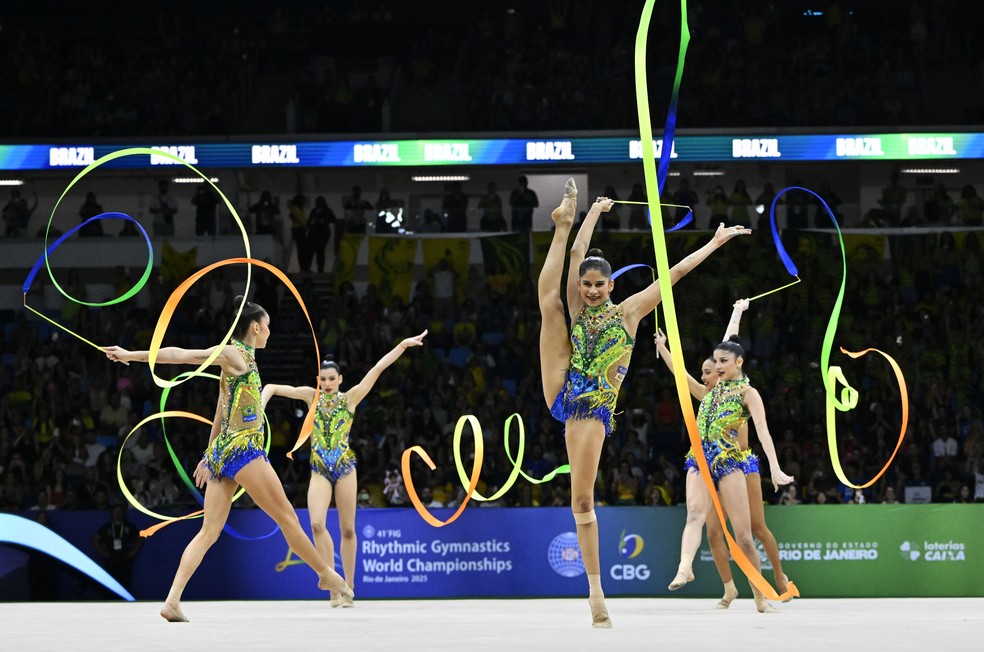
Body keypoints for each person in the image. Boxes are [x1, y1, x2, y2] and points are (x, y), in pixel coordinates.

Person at [536, 179, 748, 627]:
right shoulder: (577, 307)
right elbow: (578, 259)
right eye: (587, 285)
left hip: (592, 405)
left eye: (599, 284)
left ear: (612, 284)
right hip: (565, 387)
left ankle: (595, 592)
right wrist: (592, 212)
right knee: (549, 304)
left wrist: (714, 242)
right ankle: (564, 222)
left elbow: (674, 276)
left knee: (580, 500)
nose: (592, 290)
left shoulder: (629, 311)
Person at [103, 296, 351, 622]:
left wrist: (210, 455)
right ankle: (324, 573)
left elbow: (222, 408)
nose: (270, 334)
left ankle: (173, 600)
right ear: (256, 327)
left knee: (209, 532)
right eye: (268, 328)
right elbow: (183, 355)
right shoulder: (233, 352)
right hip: (245, 450)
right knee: (288, 518)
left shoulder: (242, 360)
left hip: (225, 450)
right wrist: (132, 356)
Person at [262, 329, 426, 607]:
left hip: (345, 467)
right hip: (319, 469)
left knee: (348, 530)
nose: (326, 383)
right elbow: (273, 387)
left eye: (331, 379)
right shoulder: (309, 396)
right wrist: (262, 400)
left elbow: (378, 368)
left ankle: (349, 587)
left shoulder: (350, 398)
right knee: (315, 523)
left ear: (339, 380)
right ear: (318, 380)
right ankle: (333, 586)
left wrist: (402, 345)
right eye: (322, 379)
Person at [654, 299, 792, 608]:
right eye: (714, 362)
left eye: (723, 361)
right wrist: (663, 347)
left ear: (738, 363)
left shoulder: (748, 394)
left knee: (745, 535)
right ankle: (685, 567)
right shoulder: (710, 390)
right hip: (701, 459)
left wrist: (775, 467)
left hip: (731, 462)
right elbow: (687, 368)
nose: (717, 366)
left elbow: (763, 430)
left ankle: (760, 594)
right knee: (697, 518)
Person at [92, 504, 143, 591]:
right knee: (109, 584)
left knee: (125, 584)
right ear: (112, 513)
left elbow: (139, 538)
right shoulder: (107, 527)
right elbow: (95, 538)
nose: (118, 513)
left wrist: (133, 552)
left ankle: (125, 602)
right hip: (110, 559)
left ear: (123, 513)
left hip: (125, 559)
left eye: (120, 511)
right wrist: (102, 552)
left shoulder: (129, 527)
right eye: (116, 511)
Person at [306, 196, 335, 273]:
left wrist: (324, 221)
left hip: (322, 234)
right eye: (317, 201)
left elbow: (333, 219)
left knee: (320, 252)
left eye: (319, 202)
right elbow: (309, 221)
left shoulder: (327, 211)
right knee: (310, 252)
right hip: (312, 234)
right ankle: (307, 268)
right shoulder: (313, 211)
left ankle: (320, 269)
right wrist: (309, 227)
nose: (318, 203)